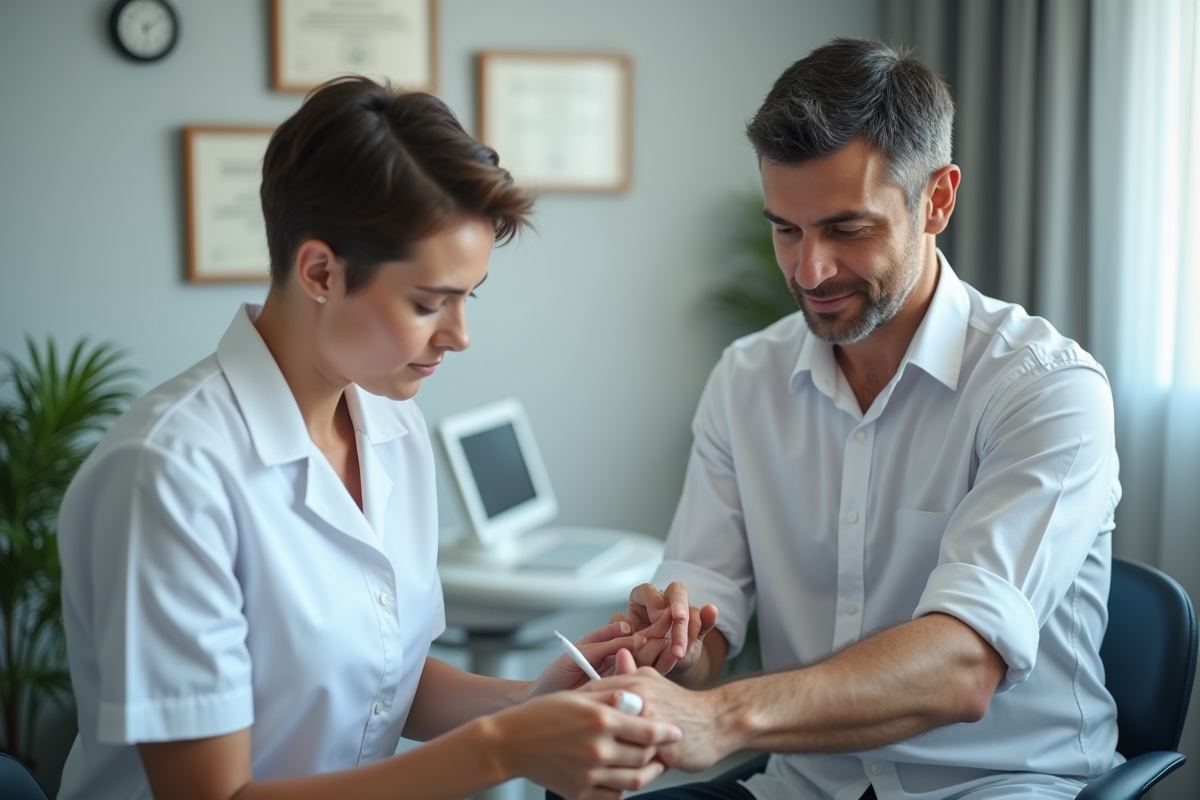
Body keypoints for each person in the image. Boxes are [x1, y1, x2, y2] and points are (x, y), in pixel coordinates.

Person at [55, 76, 680, 800]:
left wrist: (532, 702)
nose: (460, 336)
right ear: (320, 270)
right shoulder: (167, 474)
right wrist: (502, 748)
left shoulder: (390, 424)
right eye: (427, 303)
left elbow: (386, 681)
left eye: (468, 298)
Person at [575, 38, 1122, 800]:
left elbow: (962, 666)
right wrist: (673, 647)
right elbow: (707, 622)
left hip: (996, 785)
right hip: (805, 784)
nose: (809, 272)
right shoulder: (746, 379)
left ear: (937, 199)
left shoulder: (1045, 391)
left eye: (846, 229)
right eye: (786, 229)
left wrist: (723, 716)